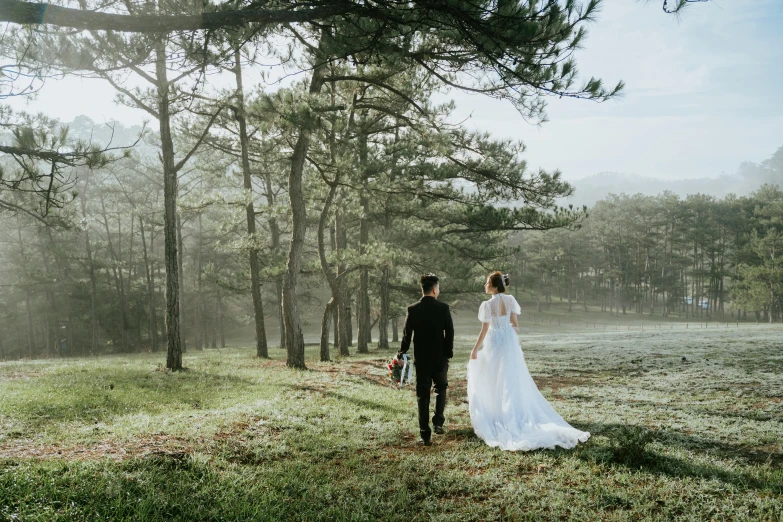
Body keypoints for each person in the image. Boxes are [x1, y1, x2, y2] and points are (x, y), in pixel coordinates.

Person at [467, 271, 590, 451]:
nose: (485, 285)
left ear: (494, 286)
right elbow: (515, 325)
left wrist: (475, 348)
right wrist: (512, 337)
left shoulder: (487, 305)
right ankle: (511, 412)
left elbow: (485, 329)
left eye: (487, 283)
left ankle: (498, 414)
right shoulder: (510, 300)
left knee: (493, 377)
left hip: (494, 342)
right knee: (510, 379)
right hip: (509, 343)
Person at [398, 273, 454, 446]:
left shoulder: (413, 309)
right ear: (435, 289)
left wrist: (402, 352)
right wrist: (448, 352)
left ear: (422, 289)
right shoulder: (443, 308)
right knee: (440, 388)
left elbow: (407, 334)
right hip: (439, 357)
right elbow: (449, 332)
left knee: (422, 394)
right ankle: (438, 422)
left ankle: (425, 433)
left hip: (421, 358)